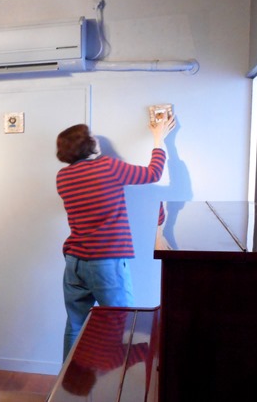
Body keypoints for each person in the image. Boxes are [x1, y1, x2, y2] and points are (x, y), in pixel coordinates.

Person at [55, 116, 175, 360]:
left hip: (74, 262)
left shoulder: (63, 176)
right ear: (88, 144)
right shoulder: (108, 167)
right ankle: (121, 379)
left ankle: (67, 382)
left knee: (75, 325)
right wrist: (158, 138)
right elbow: (153, 174)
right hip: (105, 262)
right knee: (123, 322)